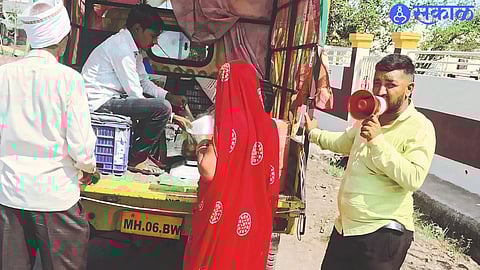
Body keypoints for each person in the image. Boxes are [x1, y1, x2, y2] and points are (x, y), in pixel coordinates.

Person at [305, 54, 436, 270]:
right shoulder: (370, 116)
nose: (381, 91)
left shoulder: (420, 127)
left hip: (382, 233)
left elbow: (413, 178)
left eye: (391, 84)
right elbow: (343, 142)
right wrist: (314, 133)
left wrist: (377, 141)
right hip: (346, 228)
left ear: (409, 89)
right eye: (377, 82)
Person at [0, 0, 97, 268]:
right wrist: (88, 167)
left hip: (9, 195)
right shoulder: (69, 79)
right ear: (64, 39)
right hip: (55, 199)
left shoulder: (4, 75)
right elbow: (81, 146)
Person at [183, 61, 280, 269]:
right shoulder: (270, 126)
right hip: (255, 219)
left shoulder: (226, 123)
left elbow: (208, 170)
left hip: (223, 221)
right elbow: (271, 175)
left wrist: (202, 145)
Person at [81, 3, 191, 174]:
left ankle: (140, 154)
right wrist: (172, 116)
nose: (154, 42)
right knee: (162, 109)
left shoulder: (134, 49)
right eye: (153, 36)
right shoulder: (122, 48)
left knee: (163, 106)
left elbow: (144, 83)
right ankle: (136, 159)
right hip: (99, 103)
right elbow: (135, 94)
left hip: (112, 100)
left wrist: (170, 96)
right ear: (138, 29)